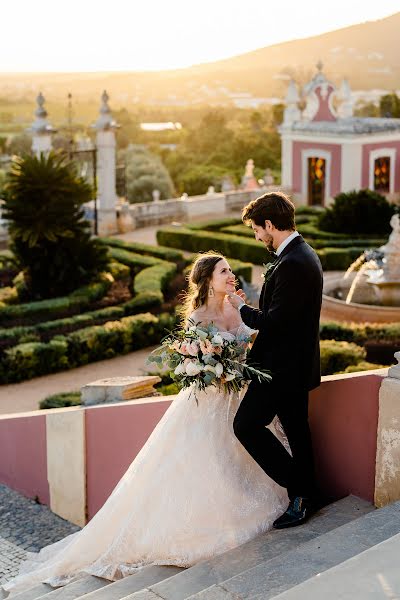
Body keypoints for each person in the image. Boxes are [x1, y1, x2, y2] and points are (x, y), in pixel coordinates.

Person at [3, 252, 288, 596]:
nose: (231, 274)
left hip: (238, 396)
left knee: (241, 453)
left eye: (230, 269)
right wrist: (216, 369)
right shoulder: (198, 316)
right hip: (211, 399)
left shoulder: (236, 306)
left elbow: (251, 338)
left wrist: (243, 329)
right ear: (208, 279)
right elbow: (198, 359)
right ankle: (208, 528)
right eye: (224, 270)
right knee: (211, 462)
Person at [227, 191, 323, 529]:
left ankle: (300, 489)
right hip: (293, 366)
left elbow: (275, 322)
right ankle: (307, 495)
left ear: (270, 224)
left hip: (281, 370)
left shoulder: (295, 262)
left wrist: (241, 309)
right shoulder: (300, 254)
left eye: (256, 229)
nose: (256, 236)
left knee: (246, 426)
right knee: (297, 431)